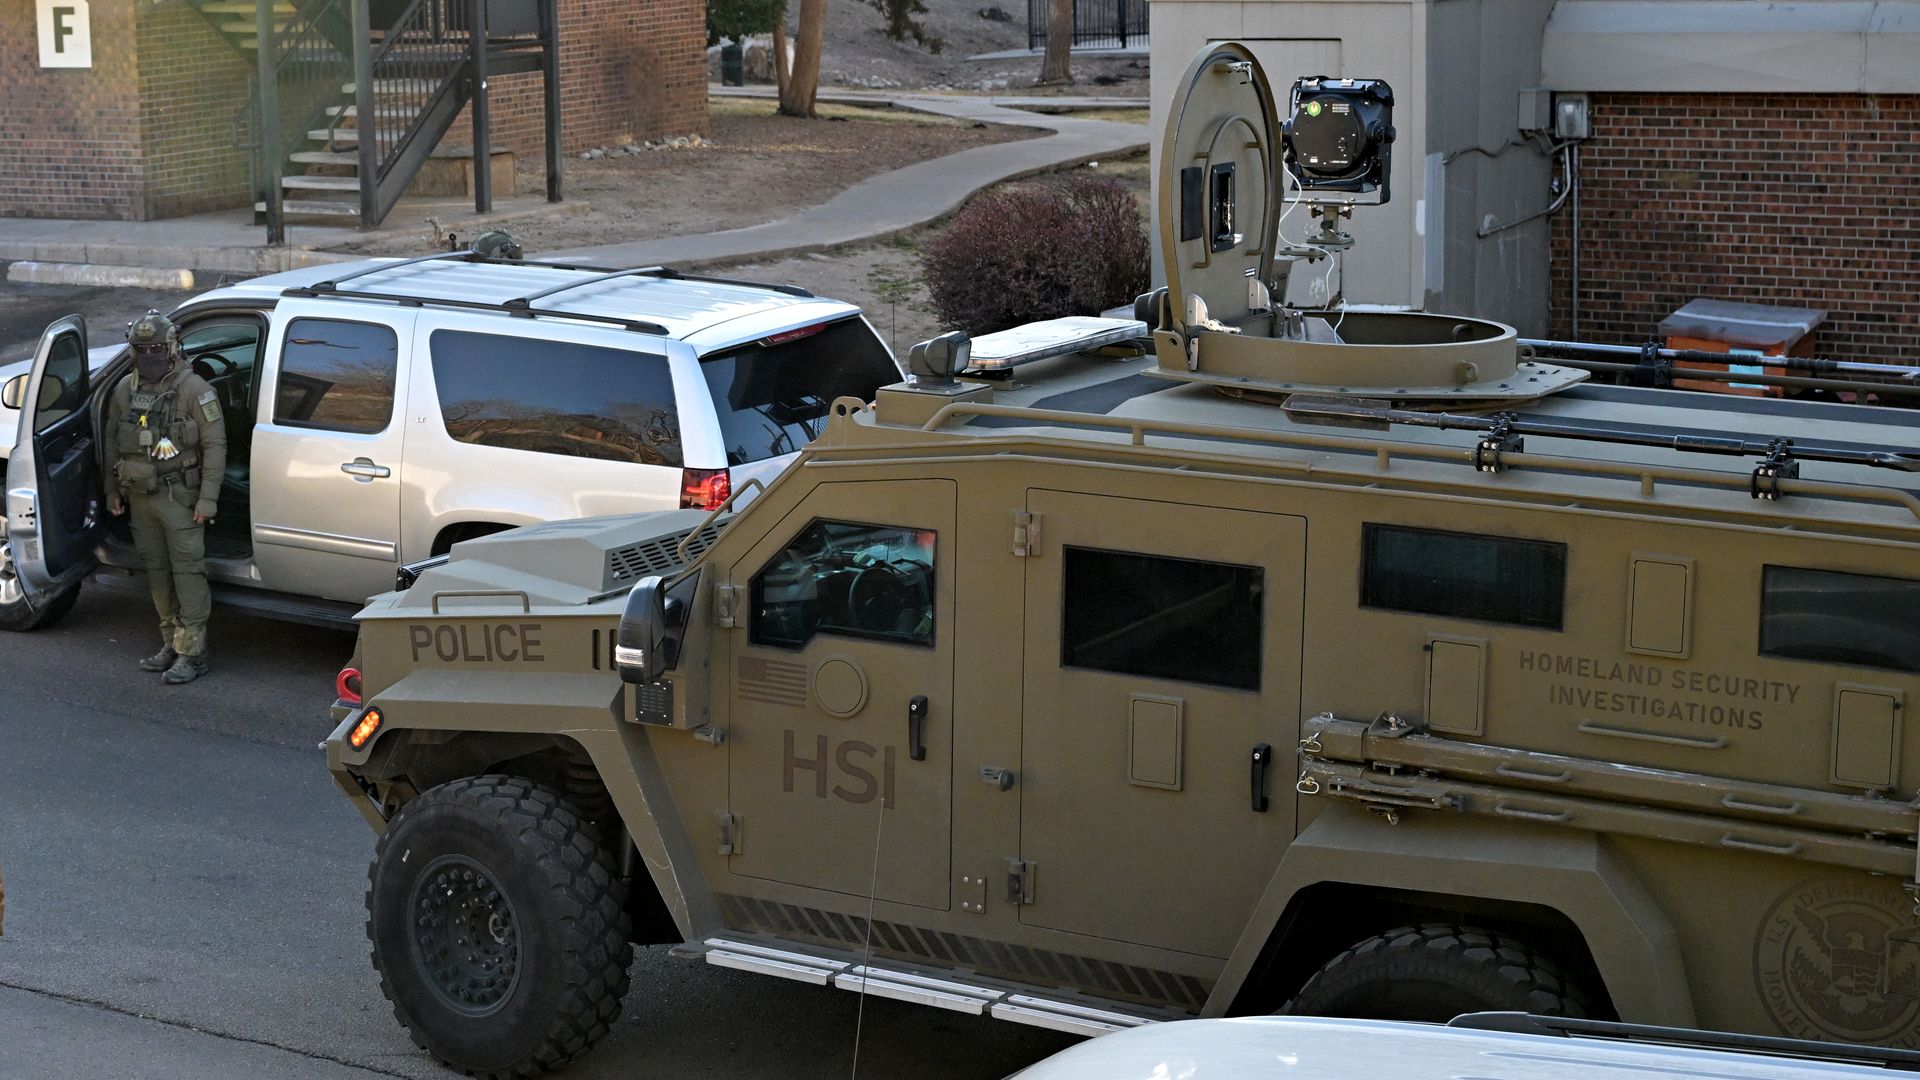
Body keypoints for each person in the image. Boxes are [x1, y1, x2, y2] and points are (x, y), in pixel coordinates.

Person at [105, 311, 226, 685]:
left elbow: (215, 444)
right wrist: (112, 490)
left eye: (157, 348)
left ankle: (192, 652)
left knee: (188, 573)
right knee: (157, 573)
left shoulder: (195, 390)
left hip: (181, 497)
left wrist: (208, 499)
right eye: (143, 349)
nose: (150, 355)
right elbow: (111, 440)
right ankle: (170, 643)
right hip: (140, 498)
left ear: (172, 348)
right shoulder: (125, 389)